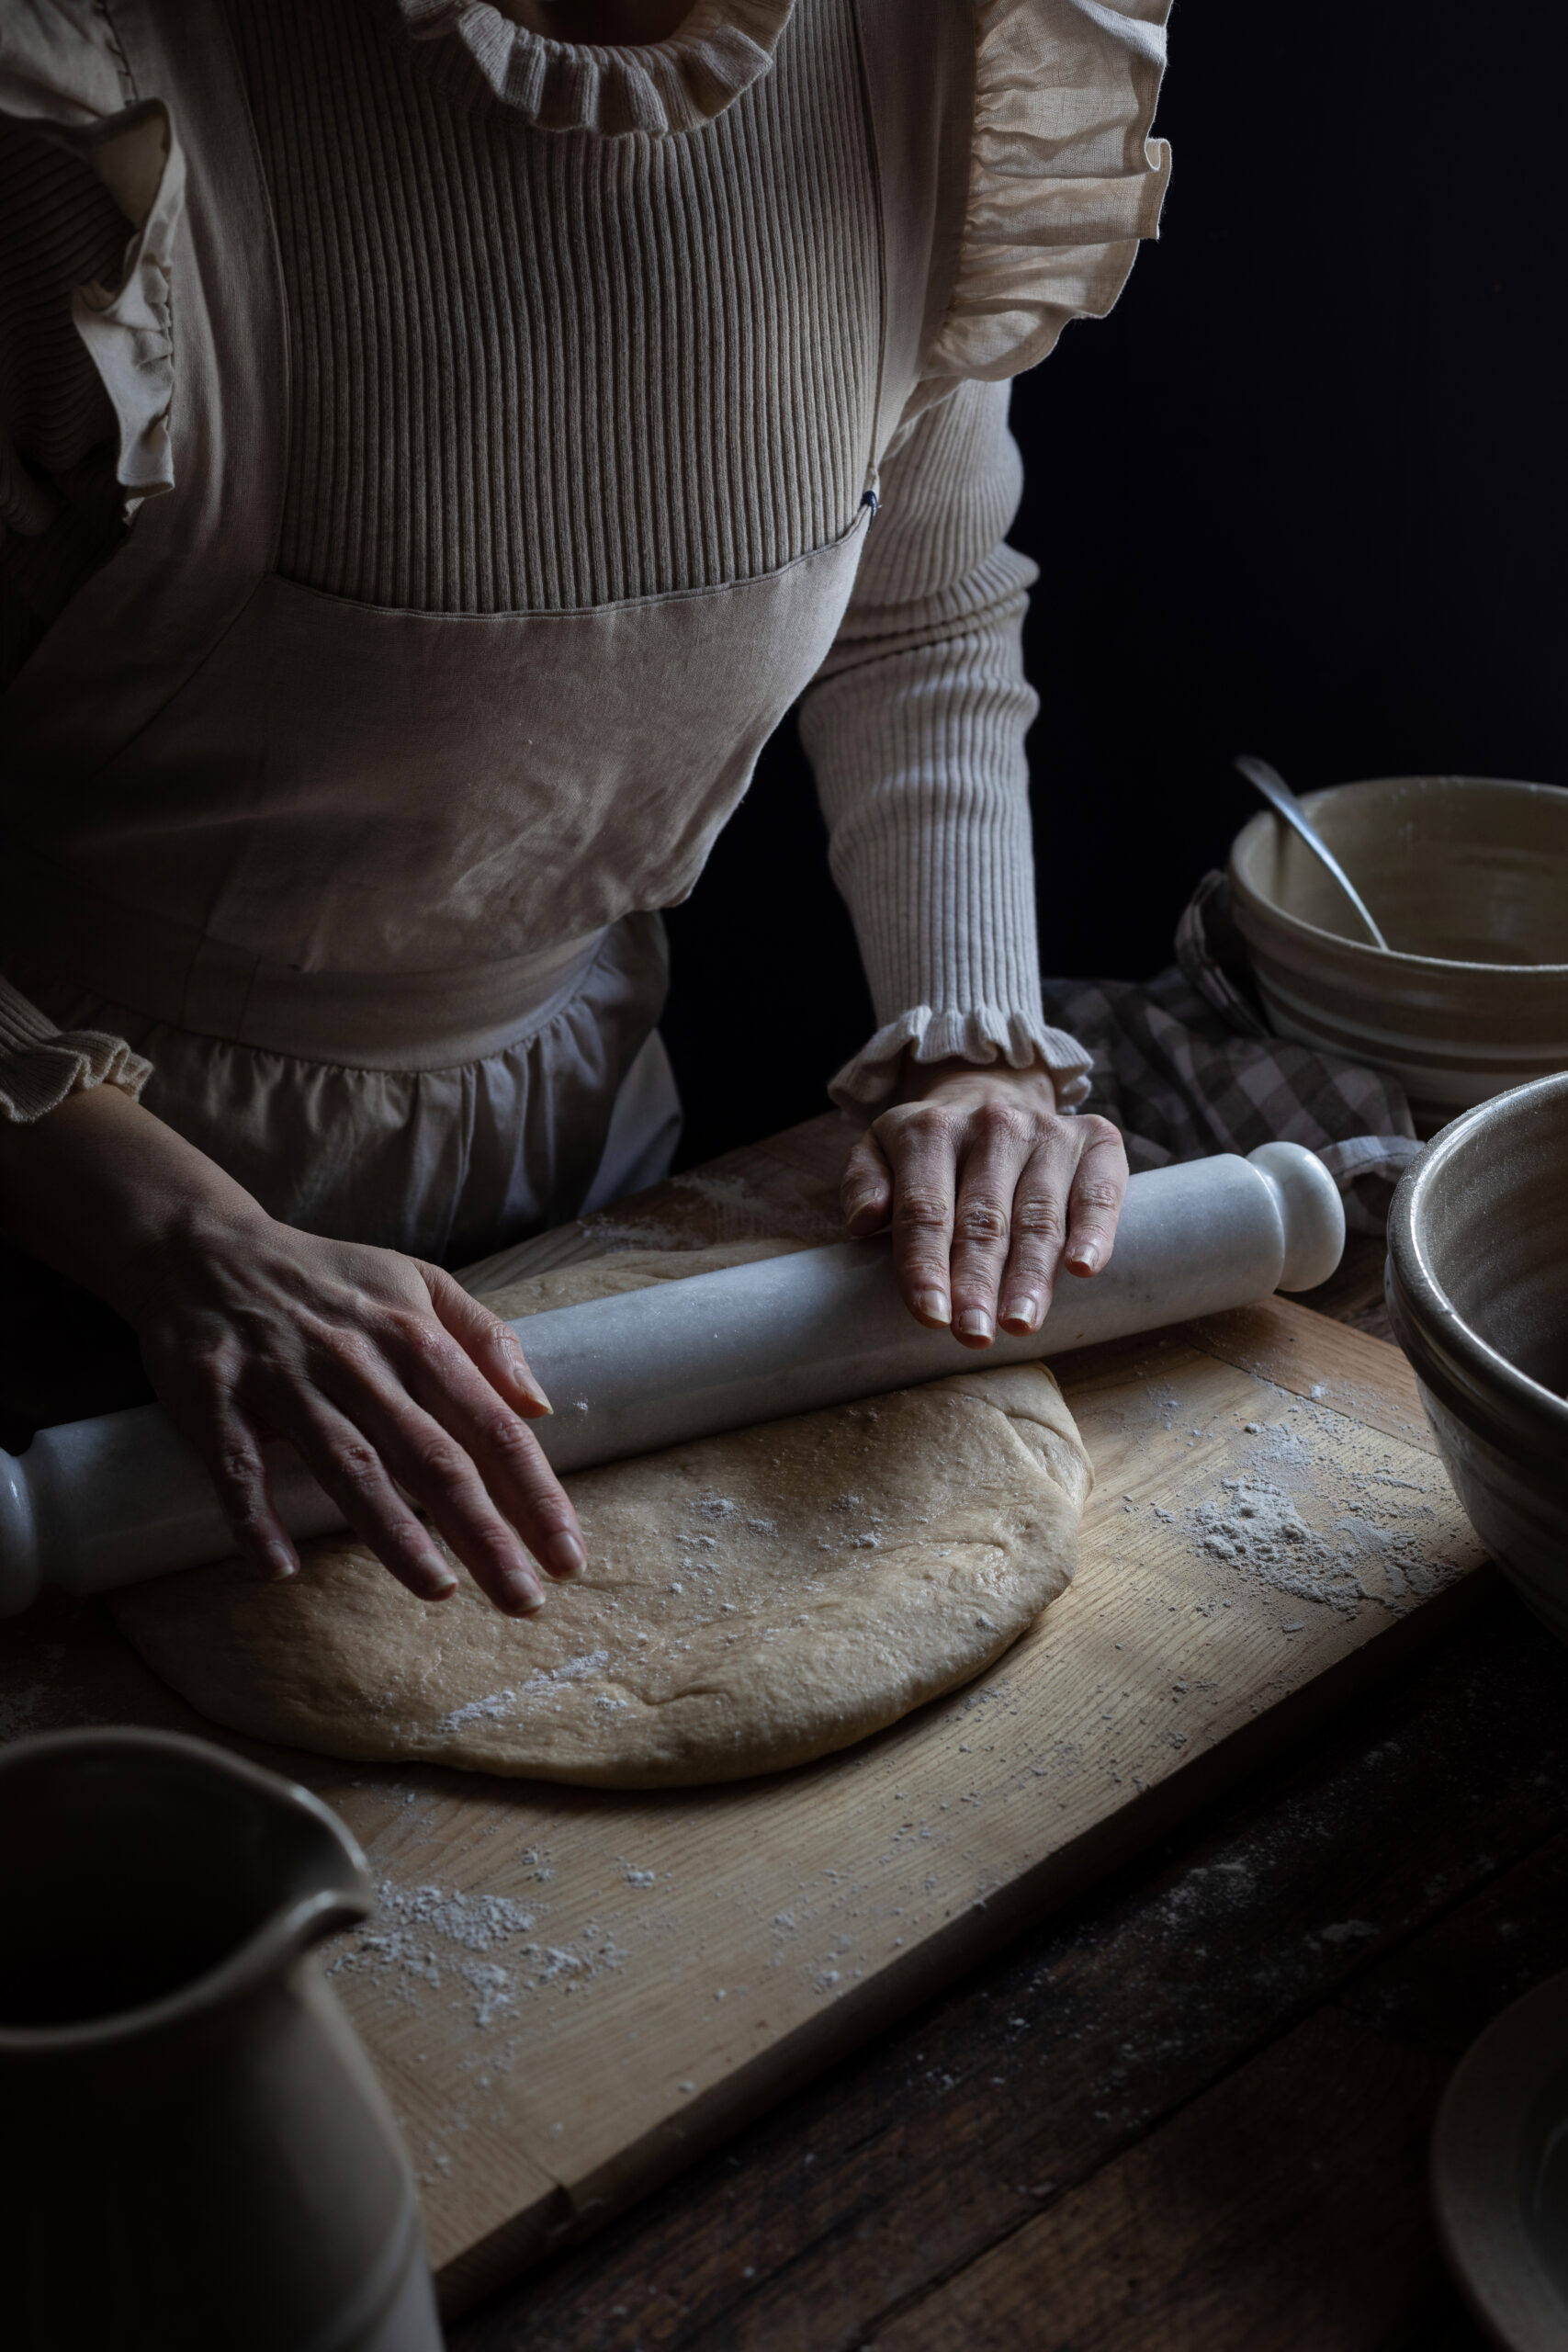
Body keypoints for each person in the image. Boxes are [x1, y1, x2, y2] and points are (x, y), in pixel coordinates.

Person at [0, 0, 1169, 1614]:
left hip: (599, 1167)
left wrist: (973, 1039)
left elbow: (921, 610)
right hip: (84, 1240)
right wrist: (178, 1240)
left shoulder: (927, 52)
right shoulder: (104, 115)